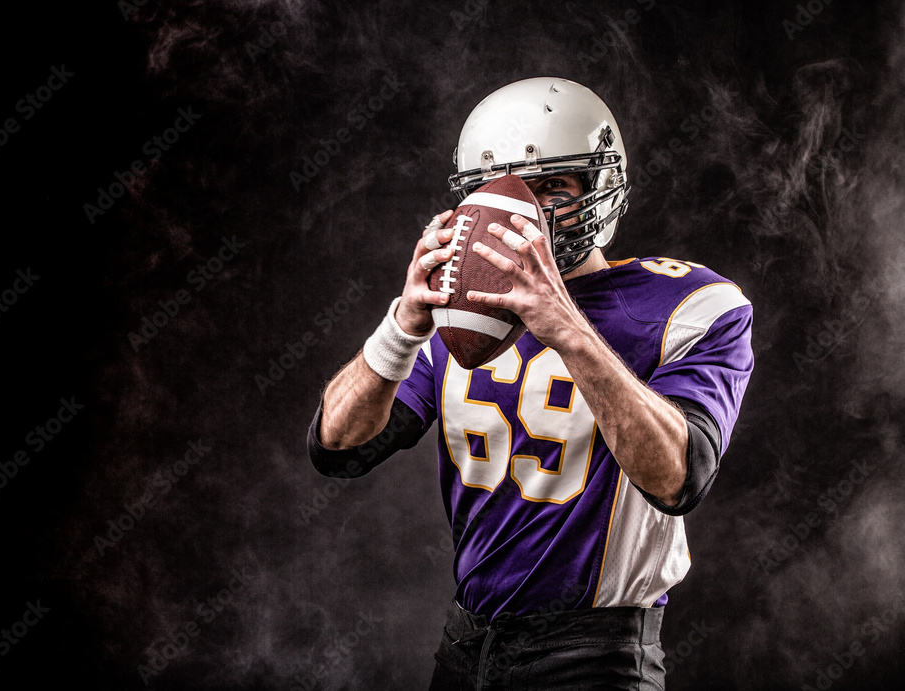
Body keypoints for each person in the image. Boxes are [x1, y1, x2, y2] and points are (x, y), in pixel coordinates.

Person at [306, 77, 753, 690]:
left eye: (552, 187)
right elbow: (338, 449)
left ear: (601, 187)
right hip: (465, 645)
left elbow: (680, 478)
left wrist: (565, 324)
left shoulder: (688, 302)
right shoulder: (460, 314)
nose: (528, 212)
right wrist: (404, 322)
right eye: (503, 190)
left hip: (593, 656)